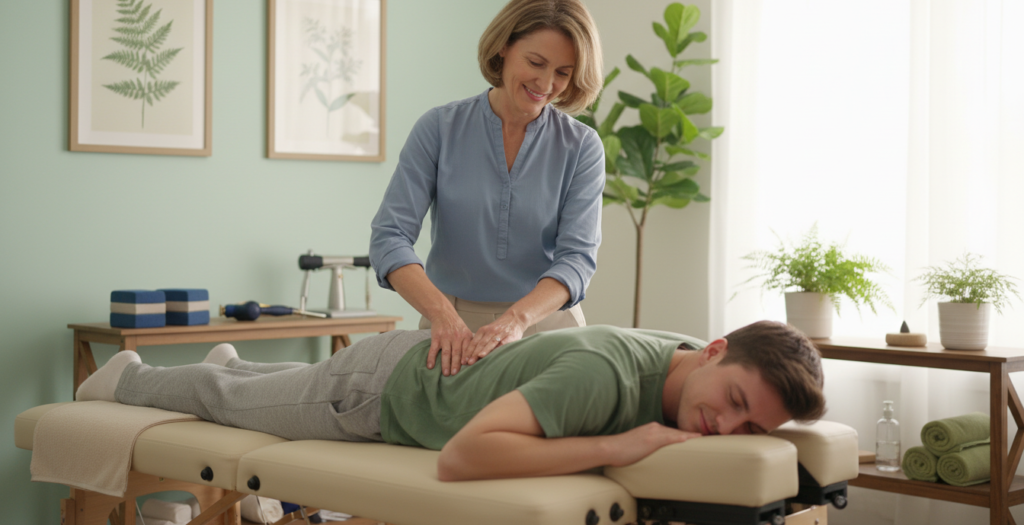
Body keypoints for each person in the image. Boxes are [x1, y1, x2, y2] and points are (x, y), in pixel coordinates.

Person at [75, 320, 825, 481]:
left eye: (746, 423)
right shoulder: (604, 374)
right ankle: (131, 376)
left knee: (259, 385)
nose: (721, 426)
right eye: (730, 401)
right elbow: (462, 456)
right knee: (223, 401)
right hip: (375, 395)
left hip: (415, 365)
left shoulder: (684, 352)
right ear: (718, 349)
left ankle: (238, 363)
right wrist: (620, 446)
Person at [369, 0, 606, 378]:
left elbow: (577, 259)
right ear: (503, 47)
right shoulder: (439, 129)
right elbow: (389, 238)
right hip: (449, 326)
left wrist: (516, 321)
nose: (546, 83)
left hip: (545, 325)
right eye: (536, 62)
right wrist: (441, 314)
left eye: (563, 73)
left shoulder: (582, 146)